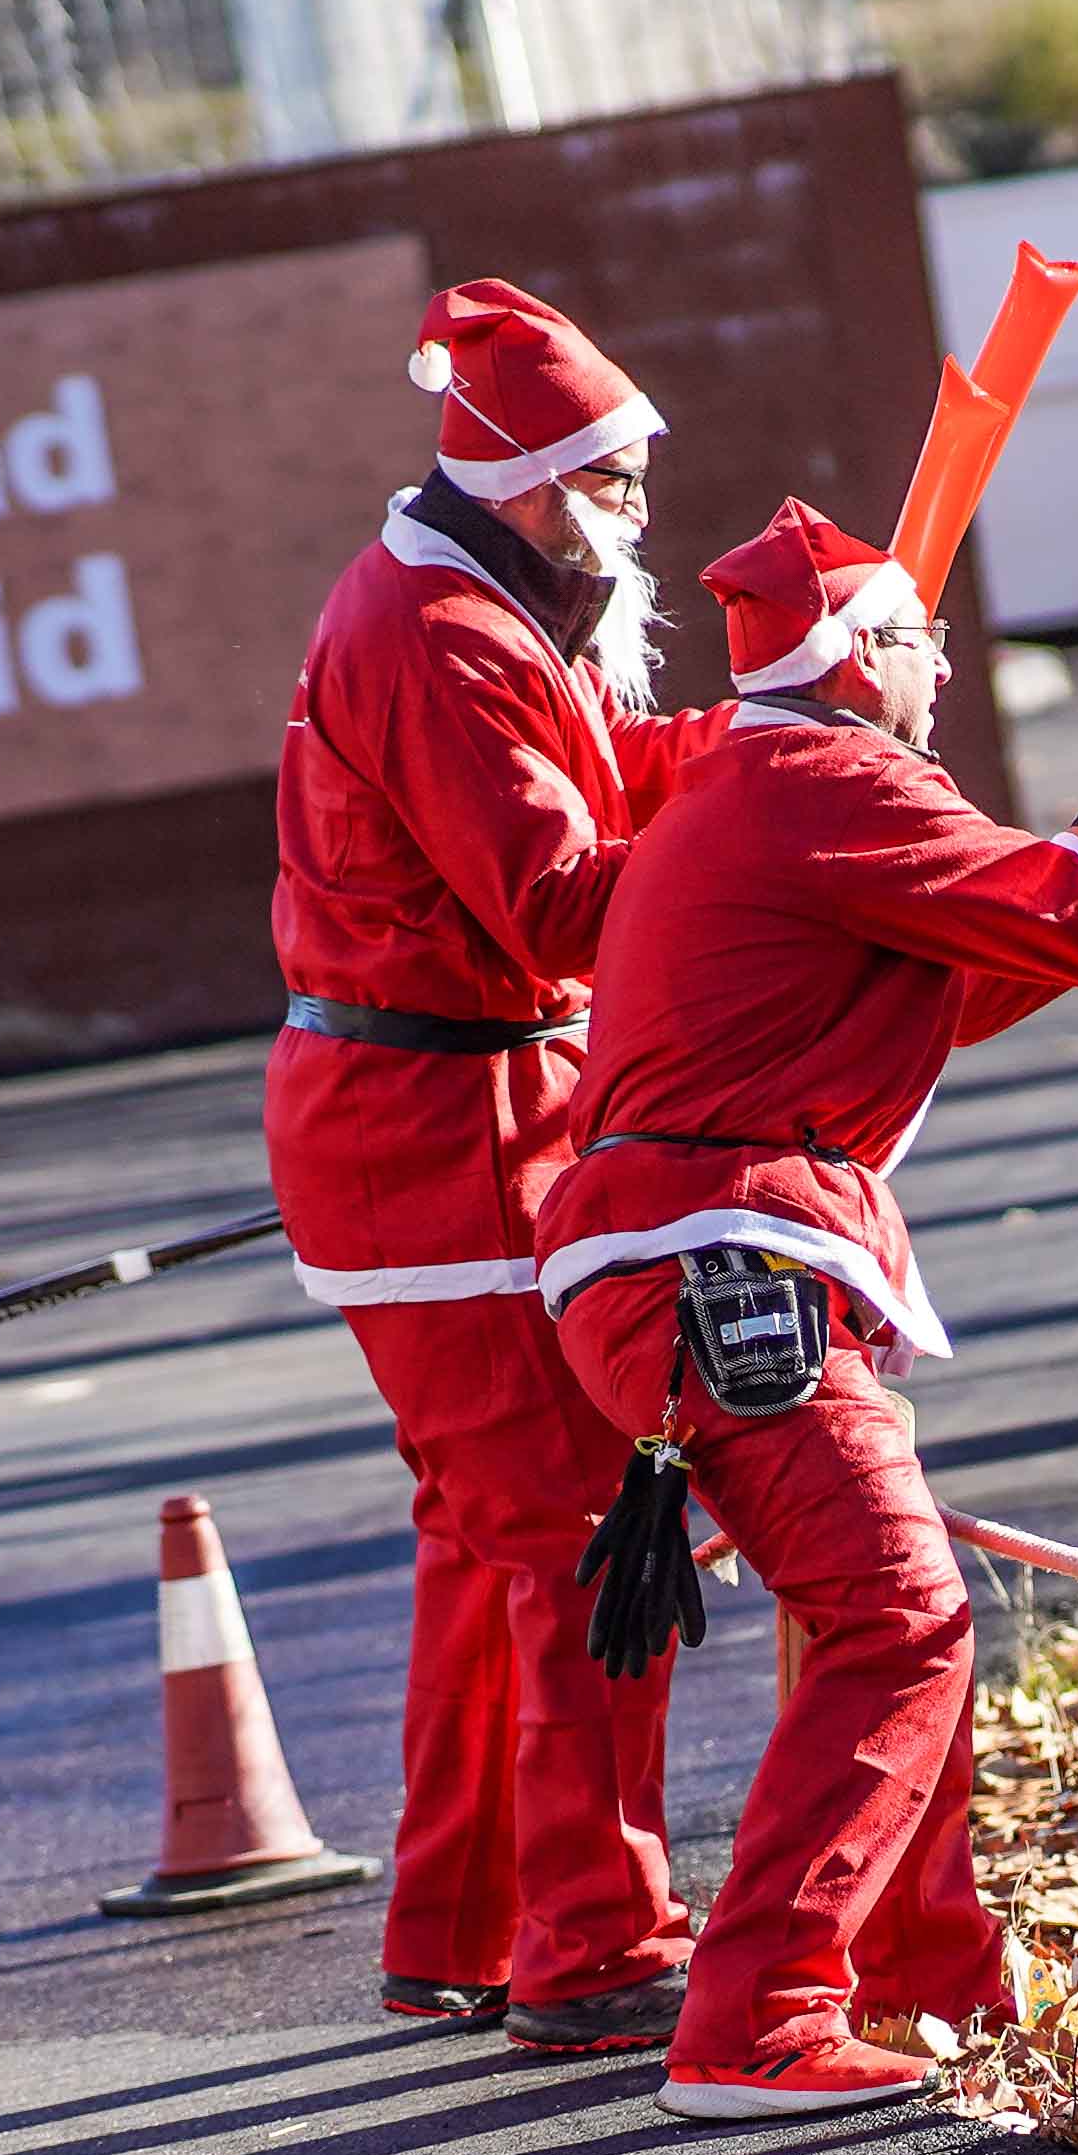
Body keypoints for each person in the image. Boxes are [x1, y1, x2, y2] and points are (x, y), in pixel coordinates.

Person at [539, 501, 1078, 2121]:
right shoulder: (833, 783)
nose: (946, 664)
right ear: (864, 661)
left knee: (862, 1613)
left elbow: (985, 951)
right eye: (925, 639)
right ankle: (762, 2019)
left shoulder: (763, 789)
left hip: (697, 1261)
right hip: (731, 1260)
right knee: (898, 1621)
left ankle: (927, 1969)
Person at [267, 282, 732, 2058]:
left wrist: (776, 735)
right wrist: (773, 829)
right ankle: (598, 1941)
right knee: (579, 1532)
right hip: (436, 1134)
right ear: (543, 486)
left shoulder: (472, 603)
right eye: (619, 482)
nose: (640, 516)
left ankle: (464, 1921)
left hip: (449, 1123)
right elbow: (555, 897)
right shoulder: (446, 634)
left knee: (489, 1540)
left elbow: (604, 784)